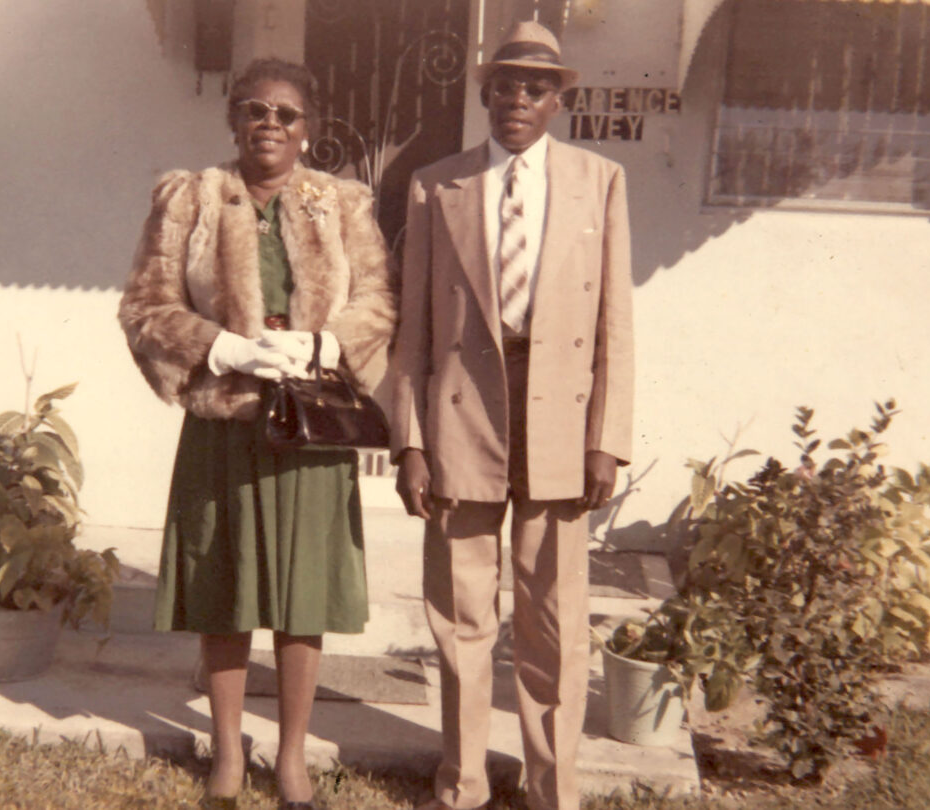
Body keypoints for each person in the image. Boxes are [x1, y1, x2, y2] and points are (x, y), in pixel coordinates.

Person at [118, 59, 396, 809]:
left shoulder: (340, 204)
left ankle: (295, 757)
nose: (269, 124)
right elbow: (144, 308)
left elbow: (378, 300)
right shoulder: (193, 198)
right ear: (233, 120)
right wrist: (222, 347)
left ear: (310, 129)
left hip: (312, 427)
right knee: (226, 590)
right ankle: (229, 754)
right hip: (226, 422)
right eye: (253, 110)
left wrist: (325, 346)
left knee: (303, 594)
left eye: (286, 113)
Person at [389, 21, 634, 810]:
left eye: (536, 87)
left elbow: (615, 329)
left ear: (559, 99)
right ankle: (460, 783)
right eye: (504, 84)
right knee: (462, 613)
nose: (517, 100)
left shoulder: (600, 181)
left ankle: (548, 788)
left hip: (559, 416)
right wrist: (412, 442)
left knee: (553, 616)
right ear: (484, 92)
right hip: (465, 414)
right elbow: (413, 329)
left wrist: (608, 441)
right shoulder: (438, 183)